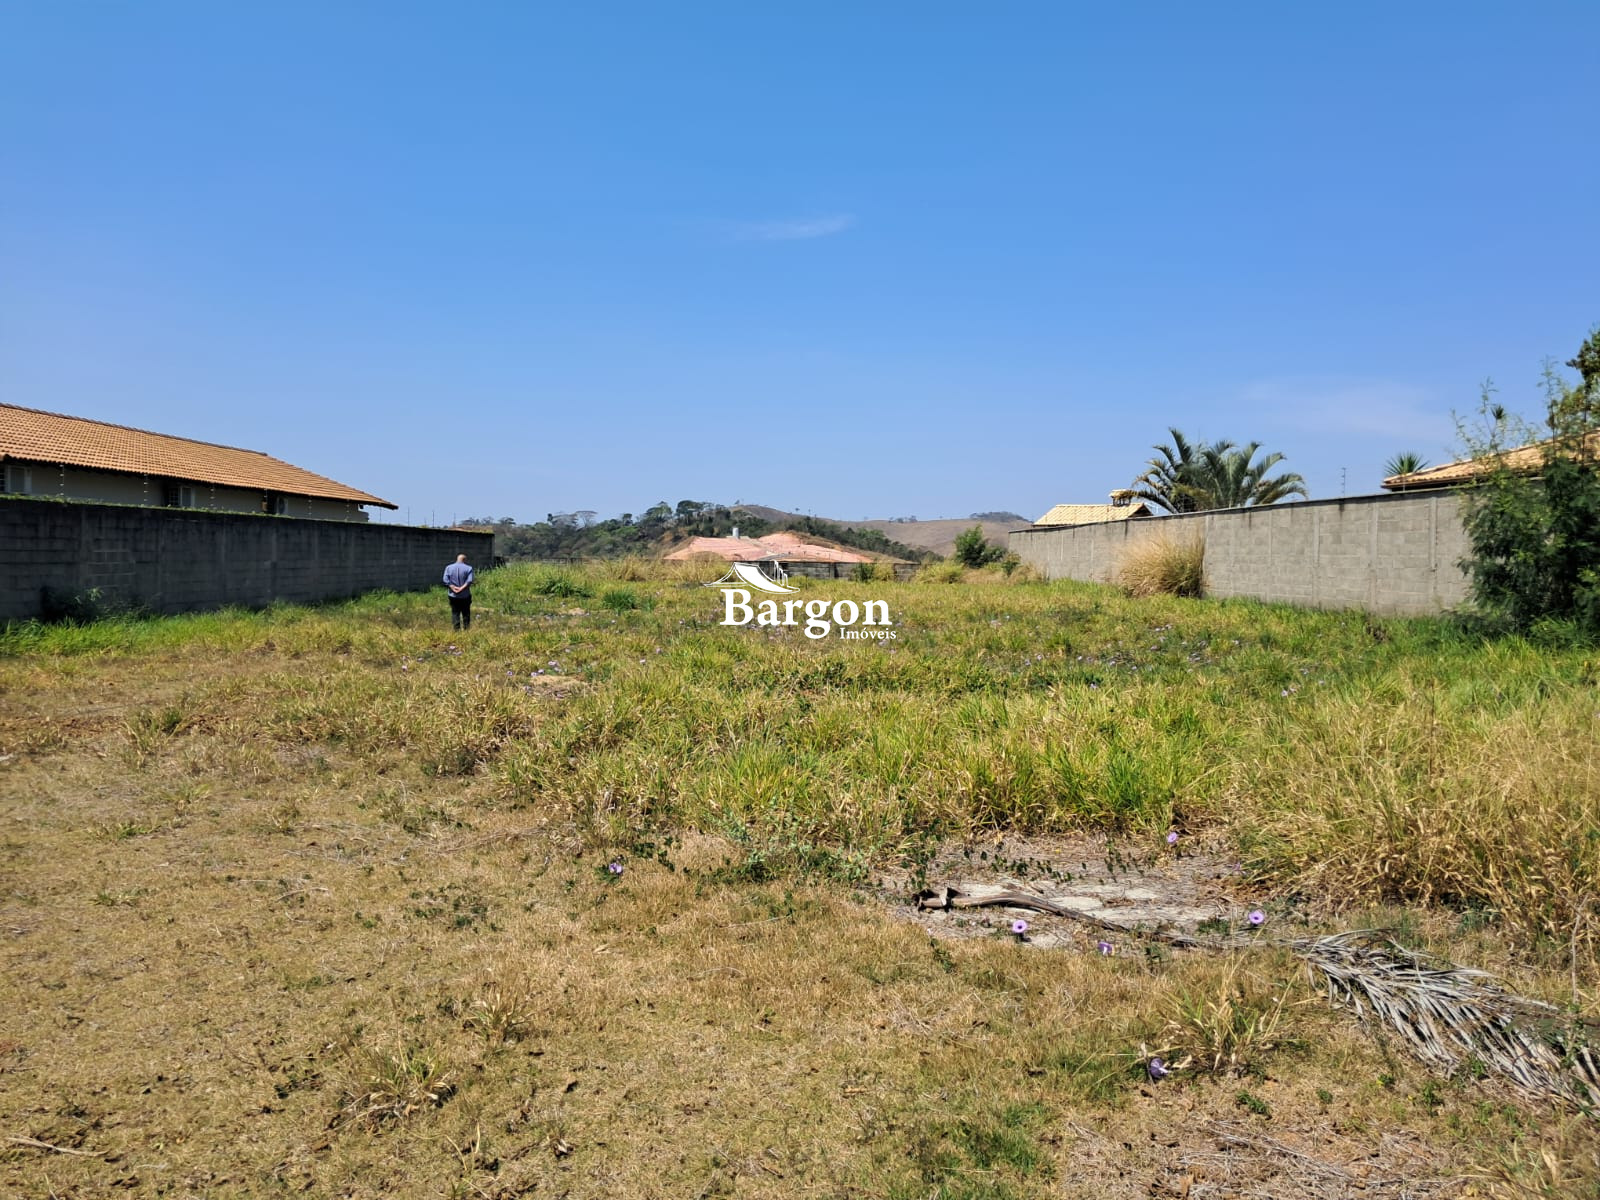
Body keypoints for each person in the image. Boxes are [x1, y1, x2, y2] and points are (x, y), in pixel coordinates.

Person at [443, 553, 474, 630]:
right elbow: (469, 581)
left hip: (453, 595)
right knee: (466, 613)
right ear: (465, 560)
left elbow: (445, 580)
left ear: (457, 559)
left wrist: (452, 587)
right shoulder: (469, 568)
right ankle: (466, 630)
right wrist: (461, 588)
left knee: (455, 613)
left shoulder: (448, 567)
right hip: (465, 595)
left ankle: (456, 630)